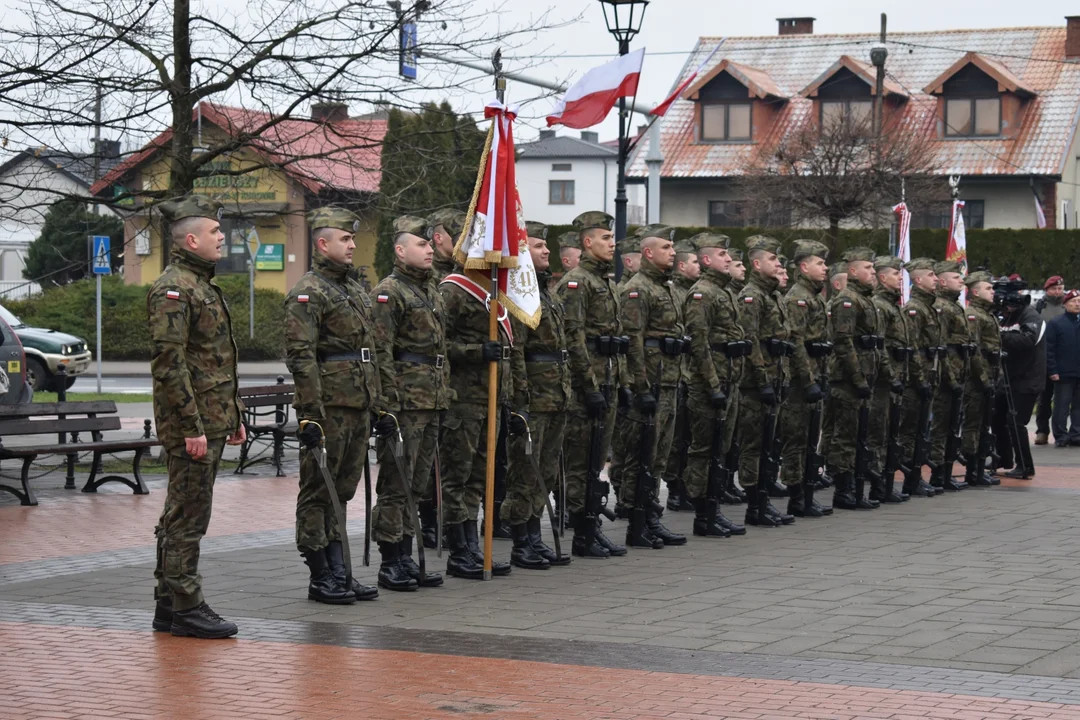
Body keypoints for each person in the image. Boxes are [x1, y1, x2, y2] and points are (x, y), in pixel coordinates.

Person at [149, 195, 246, 639]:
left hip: (212, 417)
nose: (221, 236)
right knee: (189, 515)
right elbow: (170, 363)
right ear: (191, 239)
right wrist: (193, 427)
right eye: (213, 231)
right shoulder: (175, 288)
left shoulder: (201, 285)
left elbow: (216, 361)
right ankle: (187, 605)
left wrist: (235, 414)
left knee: (181, 512)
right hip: (193, 424)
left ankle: (169, 604)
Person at [286, 207, 386, 602]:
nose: (352, 245)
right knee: (318, 490)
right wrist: (310, 414)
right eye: (345, 239)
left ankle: (339, 569)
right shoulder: (308, 292)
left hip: (356, 403)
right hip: (328, 407)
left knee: (341, 490)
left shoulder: (353, 289)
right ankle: (320, 573)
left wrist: (377, 403)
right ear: (322, 243)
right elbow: (301, 355)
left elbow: (370, 352)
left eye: (352, 238)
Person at [369, 215, 451, 589]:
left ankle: (406, 556)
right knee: (395, 483)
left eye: (430, 244)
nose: (430, 249)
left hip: (431, 399)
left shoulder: (430, 290)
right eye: (421, 245)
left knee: (417, 485)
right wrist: (385, 404)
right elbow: (380, 352)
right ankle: (391, 560)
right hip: (404, 401)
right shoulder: (389, 292)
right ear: (400, 250)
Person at [437, 243, 524, 579]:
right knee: (456, 478)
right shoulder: (454, 291)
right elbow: (436, 344)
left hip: (491, 399)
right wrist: (475, 351)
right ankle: (459, 550)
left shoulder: (492, 292)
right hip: (464, 400)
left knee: (479, 478)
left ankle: (475, 548)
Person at [555, 211, 627, 559]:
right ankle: (581, 532)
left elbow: (613, 339)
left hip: (608, 381)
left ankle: (592, 526)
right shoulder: (577, 281)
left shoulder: (607, 282)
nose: (612, 244)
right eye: (604, 238)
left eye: (612, 239)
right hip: (588, 387)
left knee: (597, 459)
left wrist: (620, 380)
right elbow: (573, 336)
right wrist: (589, 385)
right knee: (581, 461)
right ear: (587, 242)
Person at [503, 221, 572, 569]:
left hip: (556, 395)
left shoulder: (547, 291)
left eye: (546, 245)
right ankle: (520, 541)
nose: (546, 251)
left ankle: (534, 535)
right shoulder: (519, 293)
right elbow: (516, 352)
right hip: (534, 397)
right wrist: (520, 402)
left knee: (544, 470)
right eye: (538, 245)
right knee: (524, 472)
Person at [618, 224, 687, 548]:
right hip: (652, 385)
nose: (672, 252)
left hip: (670, 382)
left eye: (672, 248)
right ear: (647, 252)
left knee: (658, 457)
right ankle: (636, 521)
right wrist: (641, 387)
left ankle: (651, 516)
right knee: (640, 456)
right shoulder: (638, 289)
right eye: (665, 248)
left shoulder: (668, 287)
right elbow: (633, 341)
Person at [682, 233, 746, 537]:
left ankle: (714, 508)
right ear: (706, 259)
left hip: (728, 380)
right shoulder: (702, 293)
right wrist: (712, 384)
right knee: (704, 450)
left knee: (720, 449)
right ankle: (702, 514)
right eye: (722, 254)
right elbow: (699, 343)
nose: (729, 259)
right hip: (710, 385)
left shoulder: (725, 291)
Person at [737, 235, 794, 527]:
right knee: (754, 446)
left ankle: (763, 500)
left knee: (768, 446)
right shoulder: (752, 295)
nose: (779, 264)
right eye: (773, 259)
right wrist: (762, 381)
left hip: (775, 378)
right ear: (757, 264)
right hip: (757, 385)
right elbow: (751, 342)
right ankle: (754, 505)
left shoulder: (772, 295)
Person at [779, 240, 833, 517]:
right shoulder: (797, 298)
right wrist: (808, 381)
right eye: (820, 263)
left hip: (816, 375)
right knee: (796, 439)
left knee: (810, 439)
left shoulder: (814, 296)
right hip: (801, 382)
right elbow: (796, 343)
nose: (825, 268)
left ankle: (807, 492)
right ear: (803, 266)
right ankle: (796, 496)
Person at [899, 259, 943, 498]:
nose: (935, 279)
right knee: (910, 432)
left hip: (928, 377)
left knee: (921, 431)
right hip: (917, 381)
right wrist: (920, 379)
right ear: (917, 280)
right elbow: (913, 347)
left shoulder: (929, 307)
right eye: (930, 275)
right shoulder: (914, 309)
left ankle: (916, 476)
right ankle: (910, 477)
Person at [663, 236, 700, 512]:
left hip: (686, 373)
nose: (699, 266)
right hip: (675, 373)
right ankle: (675, 488)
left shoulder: (692, 292)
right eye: (694, 262)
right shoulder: (674, 291)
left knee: (686, 436)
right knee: (675, 440)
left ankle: (684, 486)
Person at [994, 288, 1046, 478]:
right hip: (1008, 377)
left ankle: (1025, 466)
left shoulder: (1030, 316)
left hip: (1028, 378)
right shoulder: (1007, 316)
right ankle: (1003, 457)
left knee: (1015, 421)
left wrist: (998, 336)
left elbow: (1028, 340)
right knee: (997, 415)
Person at [869, 256, 908, 503]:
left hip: (894, 377)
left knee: (890, 433)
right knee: (878, 435)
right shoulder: (880, 306)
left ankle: (884, 482)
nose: (900, 278)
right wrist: (890, 375)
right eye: (895, 274)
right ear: (882, 278)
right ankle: (877, 485)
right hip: (883, 380)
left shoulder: (892, 304)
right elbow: (880, 345)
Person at [928, 261, 970, 492]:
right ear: (942, 281)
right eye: (956, 277)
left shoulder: (954, 306)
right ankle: (937, 473)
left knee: (952, 426)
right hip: (947, 376)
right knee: (941, 427)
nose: (961, 281)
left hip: (957, 373)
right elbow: (941, 346)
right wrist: (950, 379)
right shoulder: (942, 307)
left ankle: (945, 471)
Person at [961, 271, 1000, 486]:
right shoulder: (973, 315)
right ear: (975, 292)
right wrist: (983, 379)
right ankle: (971, 470)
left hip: (989, 377)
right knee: (972, 426)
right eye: (988, 288)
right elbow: (974, 351)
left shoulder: (988, 314)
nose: (992, 292)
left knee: (984, 426)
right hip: (976, 380)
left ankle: (978, 468)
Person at [1046, 289, 1080, 446]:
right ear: (1065, 304)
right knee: (1061, 407)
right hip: (1063, 372)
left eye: (1079, 301)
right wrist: (1052, 370)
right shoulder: (1056, 323)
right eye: (1073, 301)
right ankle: (1061, 436)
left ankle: (1076, 434)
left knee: (1078, 407)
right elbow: (1049, 349)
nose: (1077, 304)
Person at [1035, 276, 1066, 444]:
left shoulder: (1067, 306)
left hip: (1064, 358)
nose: (1057, 292)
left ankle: (1061, 432)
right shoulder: (1039, 307)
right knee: (1044, 398)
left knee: (1064, 399)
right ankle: (1042, 431)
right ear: (1046, 290)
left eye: (1060, 289)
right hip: (1043, 357)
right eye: (1054, 289)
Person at [428, 209, 464, 283]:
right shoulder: (427, 275)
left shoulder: (467, 267)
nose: (465, 240)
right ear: (438, 238)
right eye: (456, 234)